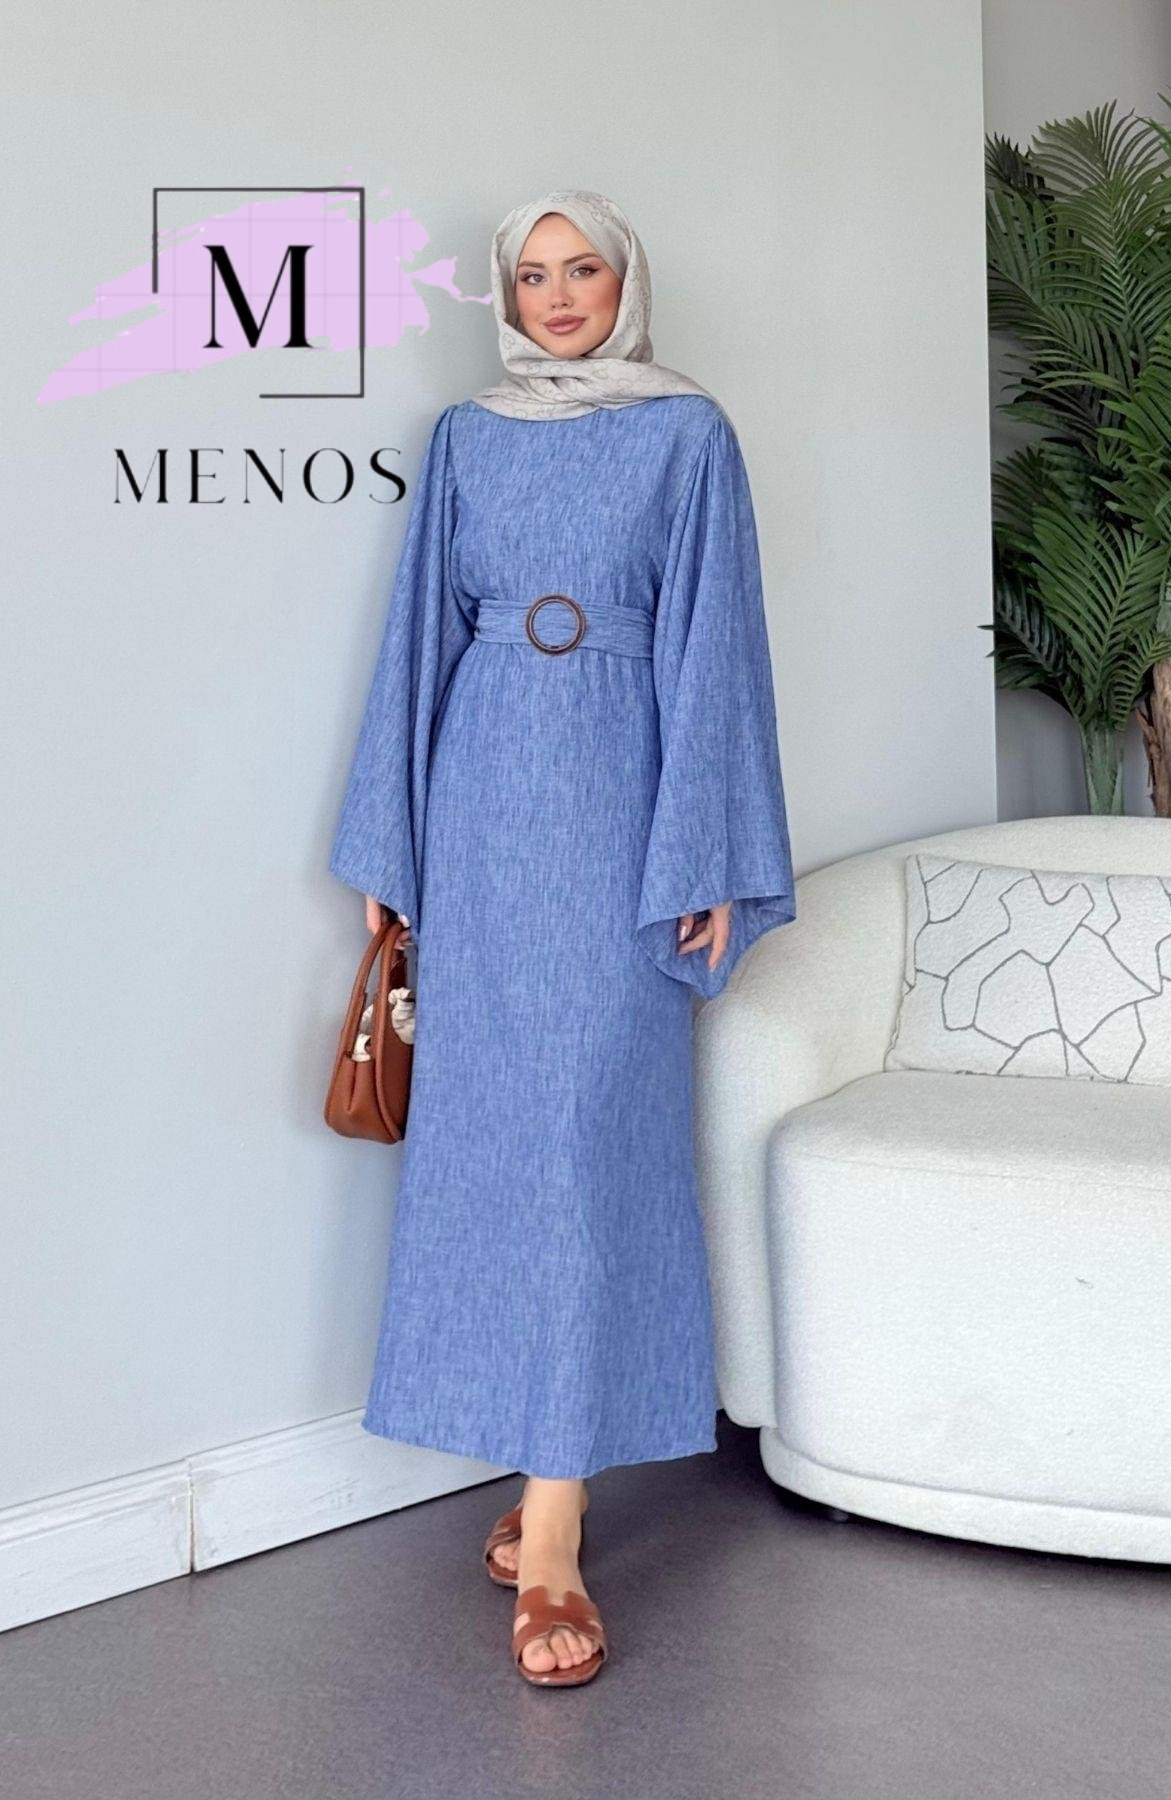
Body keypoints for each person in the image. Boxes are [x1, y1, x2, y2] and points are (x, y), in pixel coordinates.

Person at [328, 189, 795, 1687]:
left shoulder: (688, 436)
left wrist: (710, 852)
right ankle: (549, 1481)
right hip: (479, 802)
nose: (560, 294)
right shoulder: (467, 438)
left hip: (624, 808)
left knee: (593, 1143)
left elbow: (718, 645)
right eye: (532, 275)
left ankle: (552, 1531)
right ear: (508, 297)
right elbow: (417, 632)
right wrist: (393, 843)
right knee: (494, 1148)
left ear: (625, 279)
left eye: (583, 266)